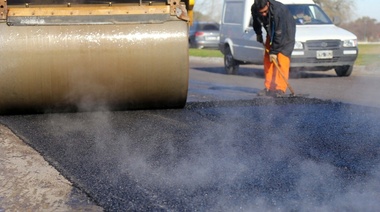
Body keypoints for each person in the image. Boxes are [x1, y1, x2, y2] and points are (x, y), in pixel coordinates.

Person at [251, 0, 296, 97]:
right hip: (271, 32)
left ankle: (280, 88)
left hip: (286, 33)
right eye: (261, 12)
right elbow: (256, 22)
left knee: (282, 59)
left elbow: (279, 33)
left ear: (268, 3)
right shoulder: (255, 8)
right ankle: (269, 87)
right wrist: (258, 33)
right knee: (268, 59)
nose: (263, 14)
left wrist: (274, 52)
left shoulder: (278, 11)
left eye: (265, 12)